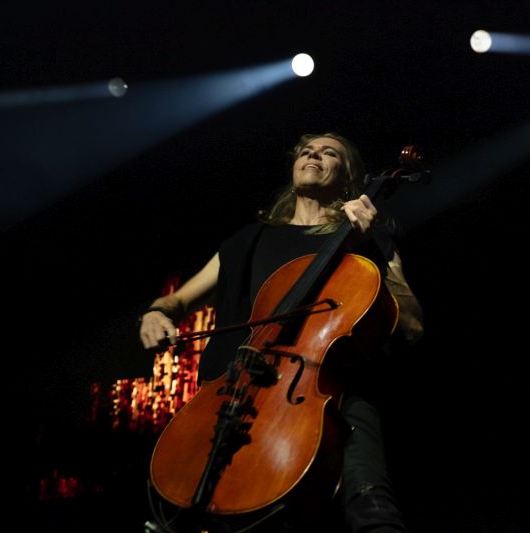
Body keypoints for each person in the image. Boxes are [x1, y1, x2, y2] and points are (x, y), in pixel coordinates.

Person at [139, 132, 424, 533]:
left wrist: (369, 248)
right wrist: (154, 313)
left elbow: (411, 325)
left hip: (328, 395)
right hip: (235, 394)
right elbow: (177, 302)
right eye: (307, 150)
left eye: (329, 153)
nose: (314, 155)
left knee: (370, 508)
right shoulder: (248, 241)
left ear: (348, 178)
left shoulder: (369, 235)